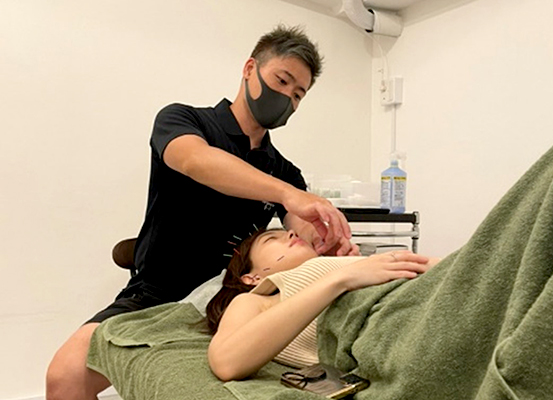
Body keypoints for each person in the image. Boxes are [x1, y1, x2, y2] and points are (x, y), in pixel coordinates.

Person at [46, 25, 360, 400]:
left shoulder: (284, 171)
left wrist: (327, 240)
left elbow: (301, 227)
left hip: (228, 301)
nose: (286, 99)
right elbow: (195, 161)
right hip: (156, 294)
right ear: (250, 69)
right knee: (64, 377)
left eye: (297, 95)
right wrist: (288, 194)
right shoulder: (184, 121)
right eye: (282, 81)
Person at [205, 228, 435, 381]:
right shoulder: (257, 300)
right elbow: (226, 362)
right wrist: (341, 279)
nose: (292, 232)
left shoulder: (349, 265)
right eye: (271, 239)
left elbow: (435, 270)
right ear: (252, 277)